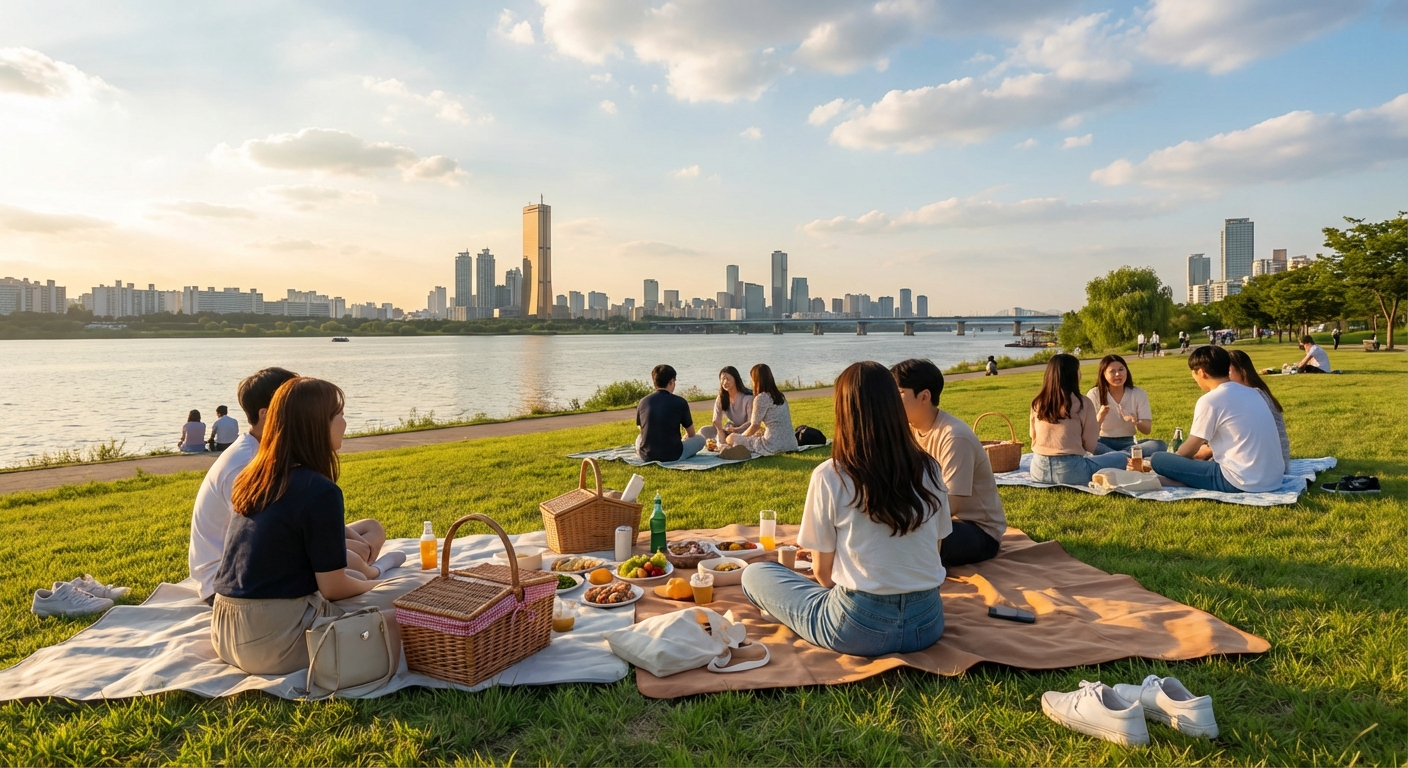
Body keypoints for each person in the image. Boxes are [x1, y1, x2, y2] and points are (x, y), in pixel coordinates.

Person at [741, 361, 950, 656]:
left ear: (843, 411)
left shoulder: (831, 475)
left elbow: (823, 576)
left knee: (755, 575)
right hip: (927, 623)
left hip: (857, 627)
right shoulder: (930, 469)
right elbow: (935, 550)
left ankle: (787, 610)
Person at [212, 377, 386, 675]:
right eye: (339, 415)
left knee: (357, 574)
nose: (344, 423)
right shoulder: (318, 490)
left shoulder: (254, 477)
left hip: (225, 631)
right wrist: (381, 586)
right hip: (274, 642)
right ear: (317, 425)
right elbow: (334, 588)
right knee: (407, 595)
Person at [189, 368, 401, 606]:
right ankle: (375, 570)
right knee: (349, 563)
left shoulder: (277, 463)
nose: (345, 421)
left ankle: (367, 568)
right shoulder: (247, 463)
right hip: (233, 581)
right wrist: (390, 587)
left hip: (250, 586)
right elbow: (255, 540)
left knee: (367, 531)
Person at [891, 359, 1006, 567]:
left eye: (898, 393)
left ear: (924, 396)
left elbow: (951, 504)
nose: (890, 400)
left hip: (977, 530)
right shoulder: (909, 431)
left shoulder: (954, 437)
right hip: (938, 519)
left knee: (906, 542)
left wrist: (904, 520)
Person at [1148, 346, 1283, 494]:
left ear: (1202, 372)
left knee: (1158, 459)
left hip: (1240, 480)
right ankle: (1186, 479)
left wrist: (1175, 464)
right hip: (1274, 478)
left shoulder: (1210, 400)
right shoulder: (1254, 393)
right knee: (1191, 466)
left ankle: (1182, 479)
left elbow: (1189, 449)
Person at [1029, 354, 1130, 485]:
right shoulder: (1083, 403)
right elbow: (1090, 446)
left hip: (1038, 471)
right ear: (1073, 375)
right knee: (1121, 458)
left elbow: (1033, 435)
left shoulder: (1037, 403)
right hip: (1071, 472)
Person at [1086, 355, 1167, 456]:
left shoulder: (1138, 393)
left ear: (1126, 371)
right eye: (1112, 371)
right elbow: (1088, 435)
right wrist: (1099, 418)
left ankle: (1117, 456)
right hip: (1102, 442)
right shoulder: (1094, 394)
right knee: (1089, 445)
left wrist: (1135, 420)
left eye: (1121, 370)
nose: (1118, 374)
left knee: (1159, 445)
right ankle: (1124, 457)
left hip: (1128, 444)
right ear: (1103, 374)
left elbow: (1147, 430)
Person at [1227, 349, 1290, 473]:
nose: (1224, 376)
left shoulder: (1250, 395)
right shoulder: (1258, 391)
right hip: (1276, 463)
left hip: (1262, 467)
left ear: (1241, 370)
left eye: (1227, 371)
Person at [726, 363, 800, 456]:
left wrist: (741, 438)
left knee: (731, 438)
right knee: (759, 432)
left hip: (772, 445)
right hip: (791, 444)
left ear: (756, 380)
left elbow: (754, 426)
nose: (751, 382)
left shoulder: (761, 398)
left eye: (752, 379)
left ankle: (736, 449)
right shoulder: (780, 396)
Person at [636, 364, 705, 462]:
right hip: (673, 455)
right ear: (671, 381)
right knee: (701, 439)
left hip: (646, 455)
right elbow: (691, 433)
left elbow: (641, 428)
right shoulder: (680, 402)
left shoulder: (643, 401)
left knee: (639, 438)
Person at [700, 366, 752, 442]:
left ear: (736, 379)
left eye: (727, 379)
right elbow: (716, 421)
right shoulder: (721, 398)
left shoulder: (748, 398)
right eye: (722, 379)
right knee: (704, 430)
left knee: (733, 439)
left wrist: (737, 429)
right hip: (729, 428)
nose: (725, 382)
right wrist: (722, 429)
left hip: (746, 430)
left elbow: (752, 421)